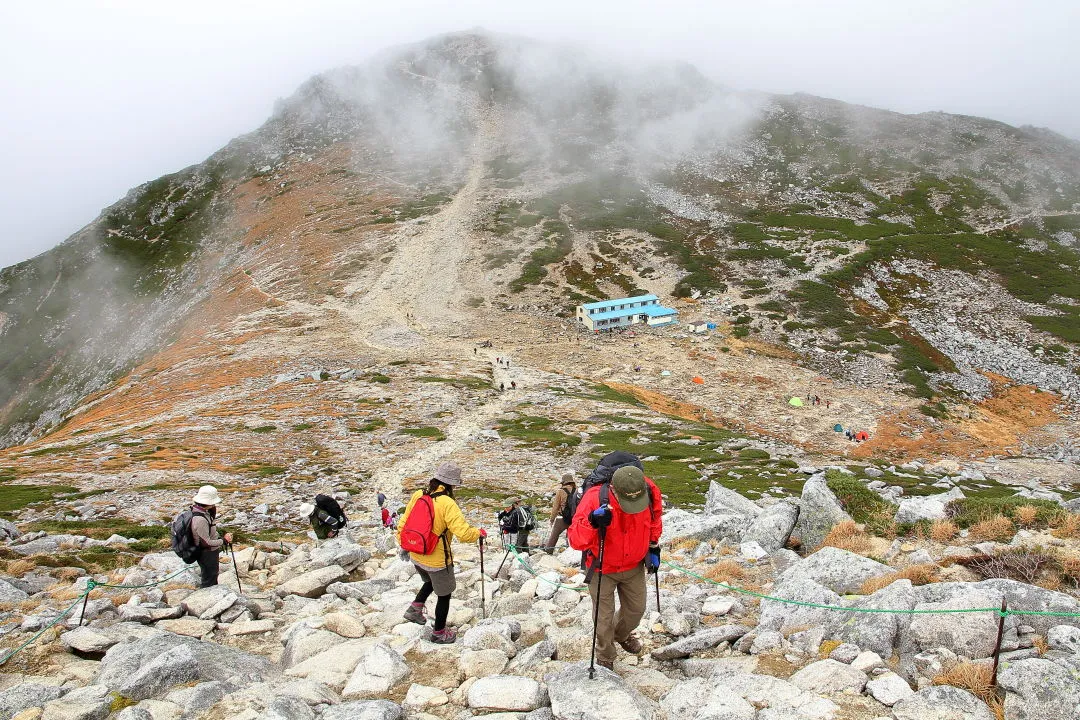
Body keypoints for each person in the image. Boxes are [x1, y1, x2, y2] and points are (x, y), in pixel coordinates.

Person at [568, 465, 662, 670]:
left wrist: (654, 547)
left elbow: (654, 519)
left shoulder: (649, 491)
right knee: (603, 618)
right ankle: (605, 656)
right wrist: (592, 521)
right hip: (602, 567)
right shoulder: (594, 498)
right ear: (613, 489)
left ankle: (620, 635)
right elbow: (575, 539)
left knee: (636, 610)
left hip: (634, 564)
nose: (634, 505)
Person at [398, 462, 486, 644]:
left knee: (430, 581)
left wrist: (404, 545)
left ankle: (415, 608)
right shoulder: (447, 503)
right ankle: (439, 633)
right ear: (452, 484)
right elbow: (462, 533)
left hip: (416, 552)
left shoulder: (419, 494)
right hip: (437, 558)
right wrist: (478, 533)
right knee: (444, 594)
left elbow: (404, 522)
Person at [190, 485, 233, 588]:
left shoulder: (202, 512)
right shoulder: (200, 519)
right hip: (207, 553)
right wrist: (224, 541)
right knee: (209, 578)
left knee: (212, 575)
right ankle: (206, 599)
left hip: (208, 552)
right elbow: (206, 542)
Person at [544, 473, 577, 554]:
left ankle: (549, 551)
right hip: (574, 517)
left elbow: (555, 507)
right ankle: (570, 551)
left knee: (554, 535)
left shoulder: (560, 491)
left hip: (561, 518)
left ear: (564, 482)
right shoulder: (576, 491)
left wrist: (552, 520)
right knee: (570, 535)